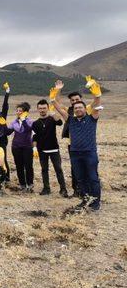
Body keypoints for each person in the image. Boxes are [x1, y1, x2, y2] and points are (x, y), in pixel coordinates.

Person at [52, 79, 102, 211]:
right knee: (80, 179)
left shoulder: (92, 118)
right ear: (73, 110)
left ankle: (95, 203)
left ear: (85, 109)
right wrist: (53, 99)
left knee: (92, 178)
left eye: (80, 107)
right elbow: (59, 108)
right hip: (75, 154)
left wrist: (97, 95)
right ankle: (85, 200)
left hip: (89, 153)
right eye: (76, 108)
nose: (78, 109)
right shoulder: (71, 120)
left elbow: (96, 105)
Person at [32, 98, 68, 197]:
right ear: (37, 109)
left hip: (54, 149)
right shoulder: (35, 123)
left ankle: (63, 189)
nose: (42, 110)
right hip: (41, 150)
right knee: (44, 169)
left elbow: (60, 123)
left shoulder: (52, 119)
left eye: (44, 108)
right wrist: (34, 148)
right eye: (40, 108)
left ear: (47, 108)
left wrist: (54, 114)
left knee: (58, 169)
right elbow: (34, 137)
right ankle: (46, 188)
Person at [61, 90, 83, 197]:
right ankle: (76, 190)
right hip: (72, 144)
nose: (74, 102)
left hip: (86, 144)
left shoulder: (85, 109)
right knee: (74, 167)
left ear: (81, 100)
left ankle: (87, 189)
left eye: (77, 99)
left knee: (87, 167)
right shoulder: (68, 111)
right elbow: (57, 104)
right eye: (72, 100)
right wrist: (57, 91)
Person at [9, 102, 34, 192]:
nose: (18, 112)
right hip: (16, 147)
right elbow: (8, 132)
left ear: (25, 112)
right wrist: (3, 125)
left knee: (28, 166)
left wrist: (23, 120)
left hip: (27, 146)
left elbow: (28, 129)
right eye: (17, 110)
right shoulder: (14, 122)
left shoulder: (30, 121)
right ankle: (22, 184)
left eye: (21, 111)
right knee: (19, 166)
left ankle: (30, 184)